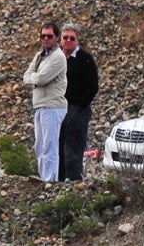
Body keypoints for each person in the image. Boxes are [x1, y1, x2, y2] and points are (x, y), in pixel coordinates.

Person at [23, 22, 69, 182]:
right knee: (40, 146)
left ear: (56, 37)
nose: (46, 39)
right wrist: (34, 77)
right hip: (41, 105)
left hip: (53, 106)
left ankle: (50, 179)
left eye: (49, 36)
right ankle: (44, 178)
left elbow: (41, 78)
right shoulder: (40, 56)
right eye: (43, 36)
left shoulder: (58, 57)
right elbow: (26, 75)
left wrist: (34, 78)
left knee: (50, 146)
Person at [58, 25, 98, 182]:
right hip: (59, 108)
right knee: (58, 146)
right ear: (60, 39)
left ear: (78, 40)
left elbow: (93, 86)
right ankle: (60, 180)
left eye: (71, 38)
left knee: (73, 147)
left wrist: (80, 105)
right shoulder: (57, 58)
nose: (68, 41)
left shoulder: (84, 59)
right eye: (65, 37)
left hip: (77, 109)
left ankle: (75, 181)